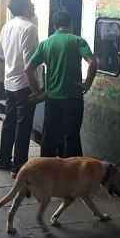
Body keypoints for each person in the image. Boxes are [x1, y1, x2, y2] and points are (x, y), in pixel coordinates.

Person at [24, 10, 97, 158]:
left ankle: (46, 168)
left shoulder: (46, 43)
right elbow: (92, 62)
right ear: (71, 24)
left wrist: (38, 93)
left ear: (55, 26)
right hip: (73, 98)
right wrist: (87, 83)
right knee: (71, 136)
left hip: (53, 98)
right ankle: (71, 171)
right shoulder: (78, 41)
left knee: (49, 135)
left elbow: (28, 69)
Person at [0, 0, 40, 179]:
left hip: (10, 83)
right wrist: (36, 90)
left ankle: (4, 160)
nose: (33, 5)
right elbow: (30, 63)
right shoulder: (29, 28)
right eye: (30, 3)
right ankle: (19, 166)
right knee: (23, 126)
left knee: (9, 121)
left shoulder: (7, 26)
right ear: (24, 8)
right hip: (24, 85)